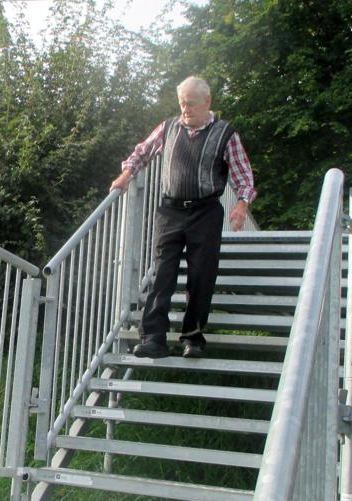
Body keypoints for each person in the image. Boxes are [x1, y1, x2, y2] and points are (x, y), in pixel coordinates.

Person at [110, 76, 256, 359]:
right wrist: (126, 174)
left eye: (190, 104)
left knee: (201, 275)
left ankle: (193, 337)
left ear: (207, 102)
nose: (185, 109)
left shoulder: (225, 134)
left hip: (206, 211)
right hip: (171, 210)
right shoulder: (168, 127)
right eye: (181, 104)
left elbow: (243, 176)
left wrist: (241, 205)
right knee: (162, 271)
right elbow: (142, 151)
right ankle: (153, 337)